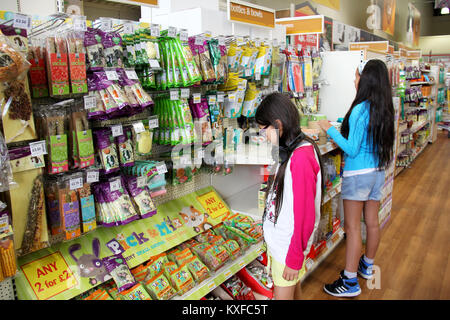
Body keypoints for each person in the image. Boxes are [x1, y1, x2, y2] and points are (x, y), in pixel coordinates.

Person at [319, 59, 395, 297]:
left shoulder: (361, 108)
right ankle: (367, 266)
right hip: (376, 173)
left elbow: (351, 149)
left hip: (358, 174)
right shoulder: (383, 108)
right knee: (371, 222)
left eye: (356, 76)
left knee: (352, 229)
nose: (354, 80)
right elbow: (366, 137)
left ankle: (350, 282)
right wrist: (344, 124)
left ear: (365, 79)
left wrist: (328, 129)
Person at [255, 92, 324, 300]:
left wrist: (294, 259)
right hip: (282, 246)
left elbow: (305, 215)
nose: (263, 136)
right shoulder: (291, 151)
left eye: (264, 129)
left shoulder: (300, 158)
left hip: (287, 250)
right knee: (295, 291)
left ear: (278, 124)